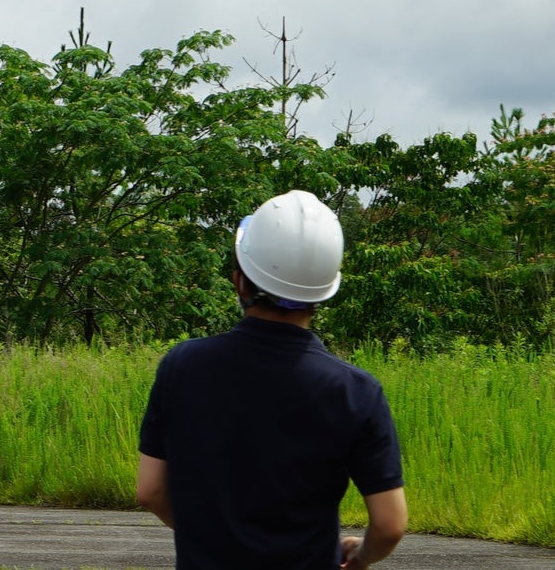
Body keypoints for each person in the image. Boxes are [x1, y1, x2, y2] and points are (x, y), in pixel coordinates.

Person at [135, 189, 408, 570]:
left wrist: (205, 536)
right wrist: (359, 558)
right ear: (325, 290)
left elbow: (150, 489)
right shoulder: (355, 390)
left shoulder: (182, 365)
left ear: (239, 282)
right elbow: (390, 524)